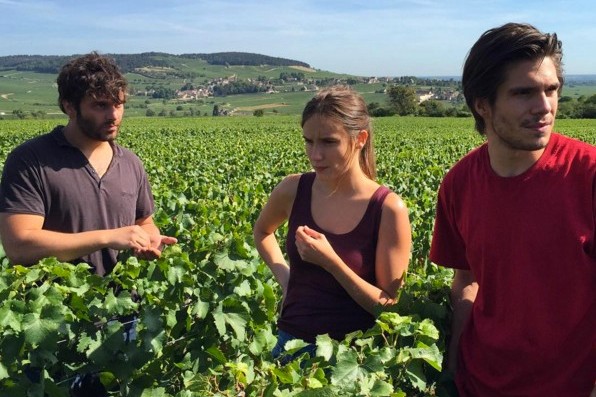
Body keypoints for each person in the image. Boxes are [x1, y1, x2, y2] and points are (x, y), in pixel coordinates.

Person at [429, 23, 595, 396]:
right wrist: (453, 372)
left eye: (551, 90)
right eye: (524, 93)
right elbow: (466, 281)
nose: (545, 107)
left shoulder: (588, 174)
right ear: (482, 104)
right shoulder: (458, 184)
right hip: (479, 384)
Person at [0, 52, 176, 395]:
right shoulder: (31, 160)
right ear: (69, 105)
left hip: (124, 318)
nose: (113, 116)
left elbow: (145, 221)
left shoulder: (131, 164)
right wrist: (108, 237)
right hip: (57, 325)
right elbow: (19, 245)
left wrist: (149, 241)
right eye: (100, 105)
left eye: (119, 104)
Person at [253, 86, 411, 362]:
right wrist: (286, 279)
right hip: (290, 346)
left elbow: (387, 307)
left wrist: (331, 262)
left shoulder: (387, 208)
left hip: (354, 359)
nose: (315, 154)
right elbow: (263, 231)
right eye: (308, 141)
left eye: (328, 142)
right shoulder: (293, 189)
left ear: (360, 139)